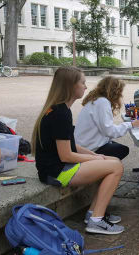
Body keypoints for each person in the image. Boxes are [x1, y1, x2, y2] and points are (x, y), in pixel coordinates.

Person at [31, 67, 125, 235]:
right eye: (82, 83)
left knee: (114, 162)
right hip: (57, 172)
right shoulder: (60, 114)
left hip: (57, 167)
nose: (85, 87)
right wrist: (95, 160)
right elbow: (66, 155)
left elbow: (72, 145)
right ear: (70, 86)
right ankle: (96, 221)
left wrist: (95, 155)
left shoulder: (60, 109)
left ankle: (93, 214)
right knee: (116, 167)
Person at [74, 76, 139, 160]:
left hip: (83, 145)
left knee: (118, 147)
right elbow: (109, 131)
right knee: (122, 150)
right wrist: (131, 124)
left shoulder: (95, 100)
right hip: (89, 148)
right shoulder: (103, 102)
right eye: (120, 92)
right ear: (115, 92)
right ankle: (100, 167)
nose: (121, 95)